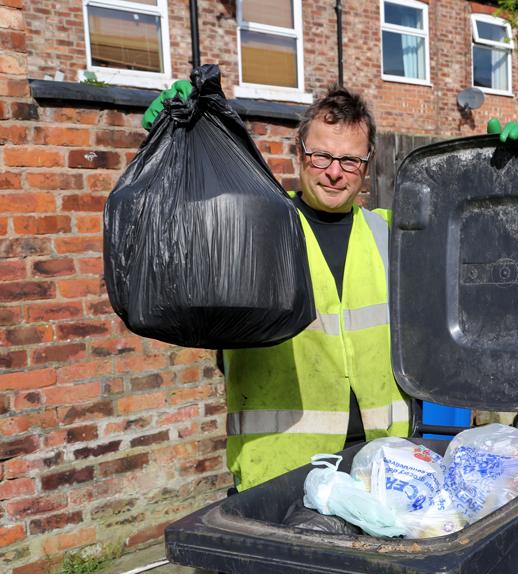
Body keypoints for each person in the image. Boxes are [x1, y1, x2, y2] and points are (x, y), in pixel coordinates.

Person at [143, 83, 409, 490]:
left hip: (381, 466)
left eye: (350, 160)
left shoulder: (391, 236)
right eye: (322, 156)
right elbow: (178, 238)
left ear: (367, 164)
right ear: (299, 153)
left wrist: (506, 164)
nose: (334, 172)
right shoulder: (252, 227)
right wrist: (171, 148)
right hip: (280, 467)